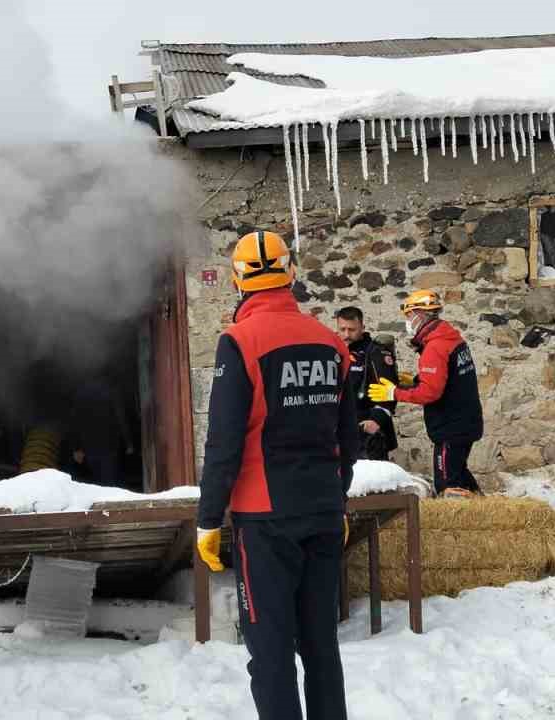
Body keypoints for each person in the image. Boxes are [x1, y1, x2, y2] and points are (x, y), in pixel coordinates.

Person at [196, 231, 358, 720]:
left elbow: (223, 442)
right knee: (321, 647)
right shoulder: (332, 343)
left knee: (270, 652)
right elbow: (348, 439)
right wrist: (337, 497)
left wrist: (207, 520)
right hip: (324, 512)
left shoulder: (238, 341)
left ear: (238, 281)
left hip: (265, 521)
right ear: (291, 273)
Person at [367, 289, 484, 497]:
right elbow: (449, 378)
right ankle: (484, 510)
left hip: (451, 428)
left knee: (448, 485)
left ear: (420, 314)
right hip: (466, 421)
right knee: (460, 473)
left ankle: (458, 526)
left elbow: (430, 393)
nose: (408, 321)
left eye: (409, 316)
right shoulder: (450, 337)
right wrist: (413, 381)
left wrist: (394, 393)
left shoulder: (434, 347)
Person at [333, 306, 398, 461]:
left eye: (352, 329)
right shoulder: (334, 351)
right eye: (342, 329)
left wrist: (376, 420)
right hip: (341, 431)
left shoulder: (375, 353)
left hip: (367, 432)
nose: (346, 334)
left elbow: (389, 390)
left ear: (362, 327)